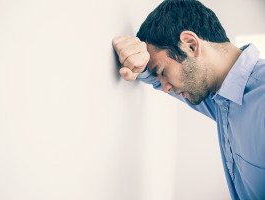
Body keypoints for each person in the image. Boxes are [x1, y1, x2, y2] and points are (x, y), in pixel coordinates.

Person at [112, 0, 265, 199]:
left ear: (191, 45)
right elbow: (156, 80)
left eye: (163, 72)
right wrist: (139, 63)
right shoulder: (220, 96)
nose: (166, 88)